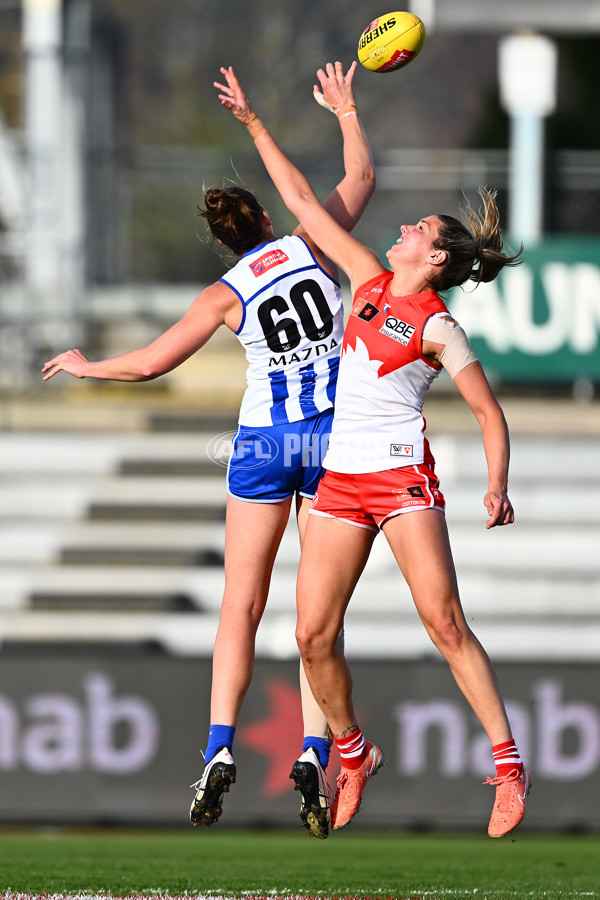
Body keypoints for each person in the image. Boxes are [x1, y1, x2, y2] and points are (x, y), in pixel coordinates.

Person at [42, 61, 375, 840]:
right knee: (316, 619)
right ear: (266, 215)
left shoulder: (224, 296)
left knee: (241, 604)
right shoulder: (313, 246)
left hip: (261, 441)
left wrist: (91, 367)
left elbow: (154, 362)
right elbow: (361, 173)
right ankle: (314, 747)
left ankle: (220, 748)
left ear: (224, 238)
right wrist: (344, 111)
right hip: (330, 439)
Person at [214, 65, 530, 840]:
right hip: (341, 483)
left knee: (445, 622)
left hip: (399, 479)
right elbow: (297, 203)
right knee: (311, 636)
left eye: (418, 229)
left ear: (437, 259)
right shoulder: (365, 280)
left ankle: (510, 766)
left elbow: (489, 412)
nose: (403, 230)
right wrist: (262, 123)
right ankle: (352, 754)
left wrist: (497, 484)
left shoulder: (436, 327)